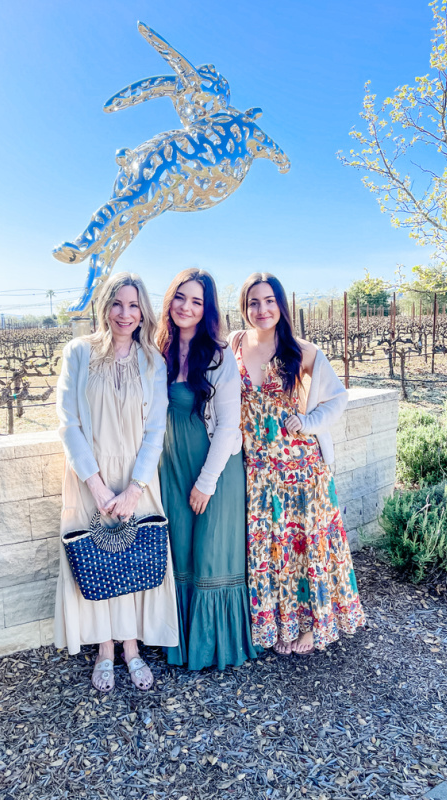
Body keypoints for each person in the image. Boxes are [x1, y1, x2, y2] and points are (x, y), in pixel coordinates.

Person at [54, 272, 178, 692]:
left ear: (143, 309)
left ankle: (132, 646)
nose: (125, 314)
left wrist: (134, 489)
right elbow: (68, 424)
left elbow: (156, 430)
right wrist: (98, 486)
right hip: (90, 475)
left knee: (134, 562)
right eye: (117, 304)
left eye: (133, 305)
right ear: (104, 306)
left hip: (136, 478)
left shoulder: (153, 362)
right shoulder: (78, 353)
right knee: (98, 561)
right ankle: (105, 648)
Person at [230, 272, 365, 655]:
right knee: (271, 551)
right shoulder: (234, 345)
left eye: (269, 300)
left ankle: (311, 628)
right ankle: (279, 626)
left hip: (302, 469)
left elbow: (337, 399)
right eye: (254, 302)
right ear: (244, 307)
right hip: (258, 471)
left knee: (307, 548)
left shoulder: (303, 351)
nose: (262, 309)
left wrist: (307, 422)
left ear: (281, 305)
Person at [157, 268, 259, 670]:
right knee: (180, 552)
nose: (186, 306)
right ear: (170, 300)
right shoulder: (158, 351)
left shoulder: (217, 356)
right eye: (180, 297)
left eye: (196, 301)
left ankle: (214, 645)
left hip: (214, 471)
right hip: (173, 467)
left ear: (207, 309)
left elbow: (229, 426)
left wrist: (205, 483)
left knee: (211, 554)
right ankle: (177, 640)